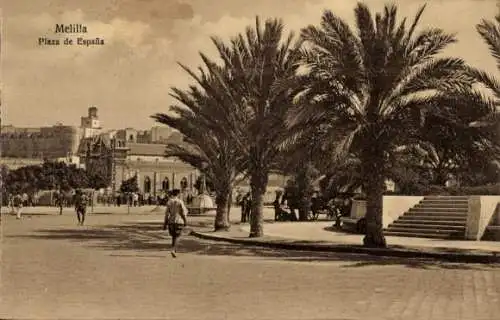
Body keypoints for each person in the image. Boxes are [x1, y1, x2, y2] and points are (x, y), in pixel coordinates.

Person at [162, 189, 188, 258]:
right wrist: (185, 221)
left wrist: (165, 224)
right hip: (179, 221)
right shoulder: (180, 202)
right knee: (177, 236)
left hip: (171, 222)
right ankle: (173, 249)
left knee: (174, 236)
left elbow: (166, 214)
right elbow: (182, 212)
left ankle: (174, 249)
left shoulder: (169, 202)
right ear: (178, 194)